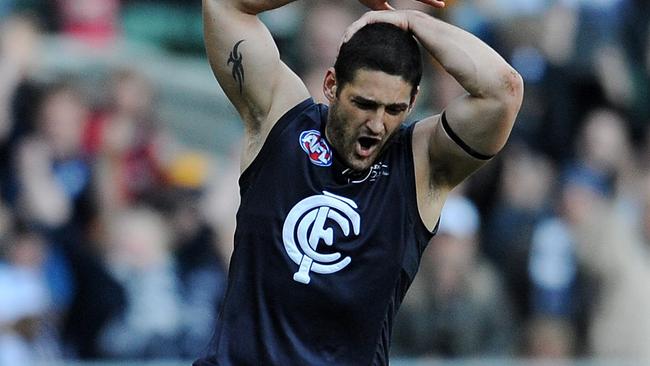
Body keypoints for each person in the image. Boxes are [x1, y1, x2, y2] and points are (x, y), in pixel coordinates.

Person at [197, 0, 523, 364]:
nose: (377, 124)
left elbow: (503, 90)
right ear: (332, 84)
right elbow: (225, 6)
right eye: (364, 104)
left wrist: (411, 20)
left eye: (394, 109)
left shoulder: (421, 164)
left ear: (414, 100)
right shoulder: (280, 120)